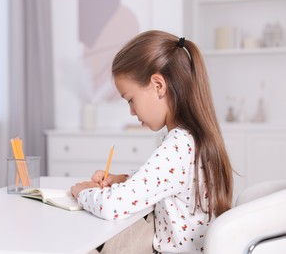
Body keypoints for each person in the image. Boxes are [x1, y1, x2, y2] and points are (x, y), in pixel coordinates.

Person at [71, 30, 234, 253]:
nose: (131, 111)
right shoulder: (193, 138)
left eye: (130, 99)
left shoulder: (178, 145)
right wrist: (120, 179)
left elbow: (112, 206)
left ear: (158, 85)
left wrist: (81, 192)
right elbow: (167, 182)